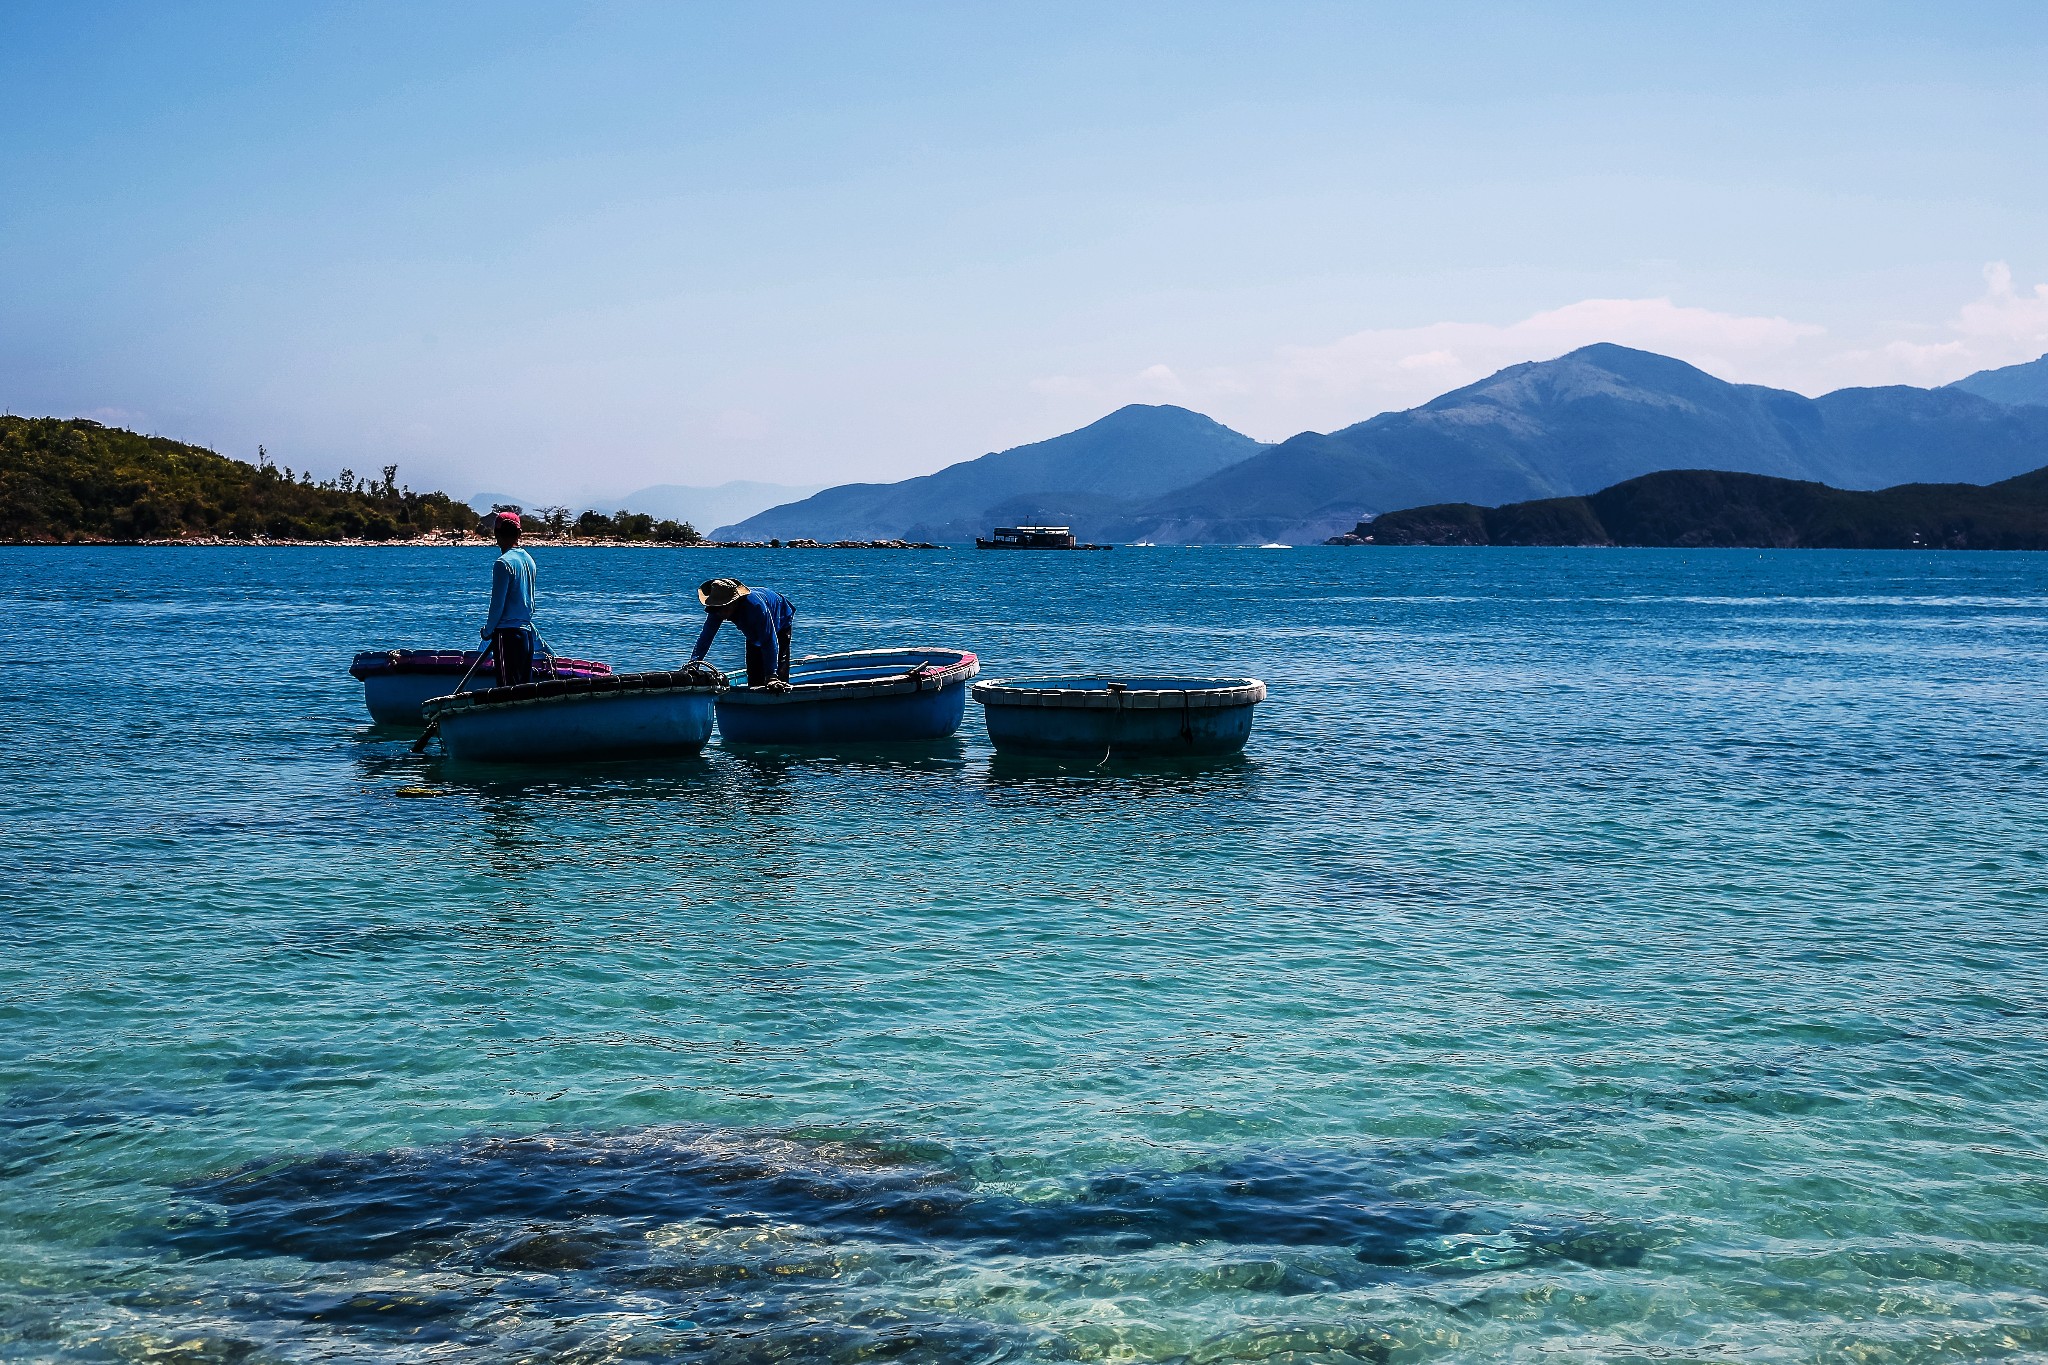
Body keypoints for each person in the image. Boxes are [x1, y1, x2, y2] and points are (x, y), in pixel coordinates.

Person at [690, 578, 795, 691]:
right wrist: (693, 663)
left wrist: (772, 677)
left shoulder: (756, 607)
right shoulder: (717, 610)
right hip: (753, 631)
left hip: (780, 616)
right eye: (717, 609)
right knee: (754, 671)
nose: (720, 613)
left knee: (778, 672)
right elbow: (706, 637)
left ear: (734, 603)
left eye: (724, 608)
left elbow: (769, 640)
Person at [480, 512, 539, 686]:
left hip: (507, 636)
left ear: (496, 534)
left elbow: (497, 605)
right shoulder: (529, 560)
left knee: (507, 691)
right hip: (526, 635)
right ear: (519, 534)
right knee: (523, 691)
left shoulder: (502, 563)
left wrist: (488, 631)